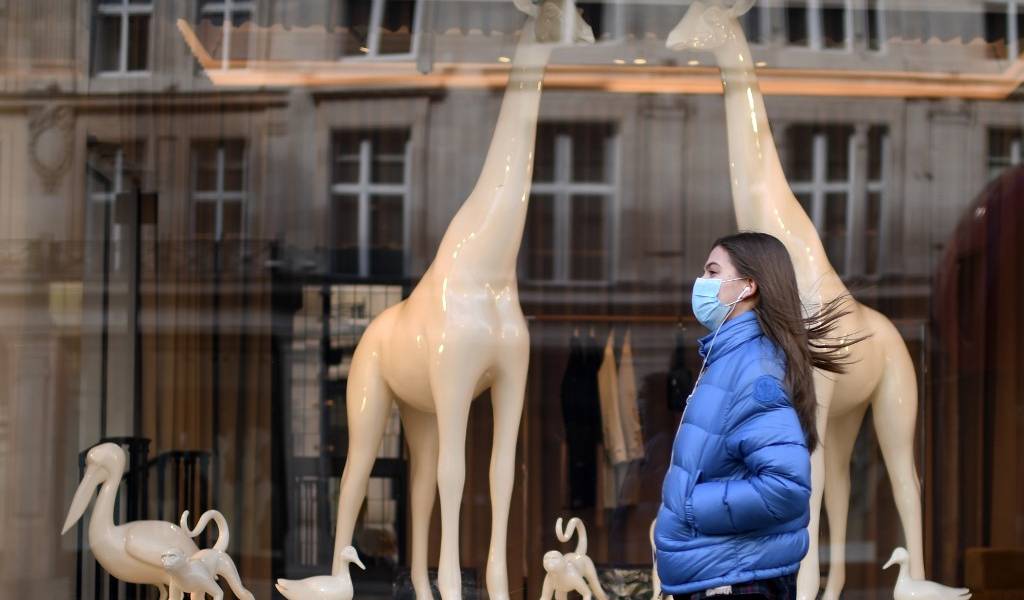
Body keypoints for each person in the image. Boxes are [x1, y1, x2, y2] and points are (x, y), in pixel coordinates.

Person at [654, 232, 862, 600]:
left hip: (734, 582)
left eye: (713, 271)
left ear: (748, 286)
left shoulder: (754, 369)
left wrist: (690, 504)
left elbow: (785, 487)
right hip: (723, 574)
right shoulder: (730, 360)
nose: (701, 283)